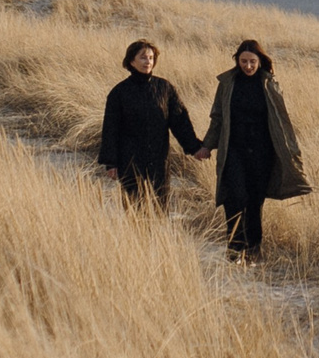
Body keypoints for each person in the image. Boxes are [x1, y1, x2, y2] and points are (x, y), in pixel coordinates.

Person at [200, 39, 308, 261]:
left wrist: (291, 153)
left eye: (252, 62)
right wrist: (207, 145)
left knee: (255, 201)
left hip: (262, 152)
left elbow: (282, 122)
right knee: (234, 197)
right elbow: (217, 118)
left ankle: (253, 249)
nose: (248, 66)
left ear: (260, 61)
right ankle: (234, 249)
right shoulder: (227, 83)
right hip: (233, 151)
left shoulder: (269, 84)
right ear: (237, 60)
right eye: (243, 61)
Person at [96, 40, 202, 212]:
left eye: (151, 58)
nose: (148, 62)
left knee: (160, 208)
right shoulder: (119, 92)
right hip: (130, 159)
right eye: (143, 58)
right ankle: (136, 239)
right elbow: (110, 129)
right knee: (134, 209)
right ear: (131, 61)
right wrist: (111, 162)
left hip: (159, 158)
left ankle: (158, 238)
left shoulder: (165, 87)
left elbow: (179, 120)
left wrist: (194, 147)